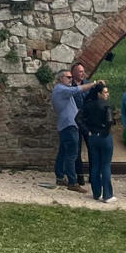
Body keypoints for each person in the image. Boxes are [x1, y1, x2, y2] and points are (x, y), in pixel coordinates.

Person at [50, 64, 99, 193]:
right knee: (72, 154)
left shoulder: (60, 89)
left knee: (63, 152)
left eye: (71, 77)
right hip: (70, 125)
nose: (71, 79)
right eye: (68, 77)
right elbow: (78, 90)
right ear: (61, 78)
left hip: (66, 125)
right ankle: (72, 182)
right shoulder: (62, 89)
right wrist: (94, 84)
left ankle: (60, 176)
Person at [80, 81, 117, 202]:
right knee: (105, 165)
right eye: (105, 92)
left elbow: (78, 119)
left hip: (93, 137)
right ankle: (107, 194)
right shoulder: (107, 106)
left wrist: (87, 131)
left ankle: (96, 193)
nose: (107, 94)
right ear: (99, 94)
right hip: (104, 137)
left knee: (95, 165)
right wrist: (105, 132)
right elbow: (109, 121)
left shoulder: (88, 105)